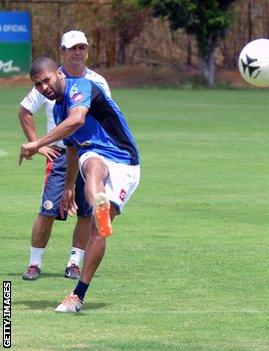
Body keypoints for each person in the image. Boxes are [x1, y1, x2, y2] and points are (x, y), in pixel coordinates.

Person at [19, 56, 140, 313]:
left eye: (46, 80)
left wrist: (36, 143)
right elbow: (72, 148)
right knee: (93, 166)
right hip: (92, 154)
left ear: (59, 74)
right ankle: (100, 203)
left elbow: (77, 121)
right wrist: (69, 187)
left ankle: (79, 292)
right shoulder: (57, 109)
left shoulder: (81, 86)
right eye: (38, 85)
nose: (43, 88)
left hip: (125, 160)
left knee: (98, 231)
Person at [18, 30, 112, 281]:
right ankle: (34, 263)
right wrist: (37, 145)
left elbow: (106, 118)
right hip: (60, 155)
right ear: (62, 51)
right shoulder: (48, 81)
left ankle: (74, 262)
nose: (78, 53)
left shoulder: (98, 82)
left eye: (82, 48)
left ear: (87, 51)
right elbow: (25, 111)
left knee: (85, 211)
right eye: (72, 48)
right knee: (48, 209)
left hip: (90, 154)